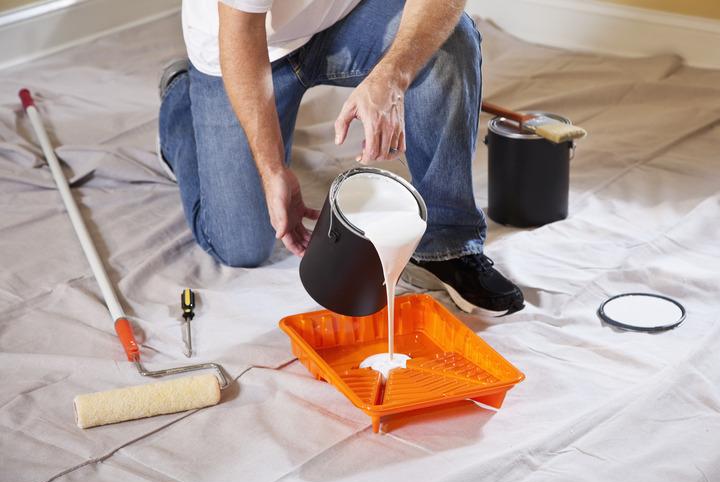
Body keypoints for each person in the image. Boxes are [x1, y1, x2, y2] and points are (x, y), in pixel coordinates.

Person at [158, 0, 525, 316]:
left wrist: (392, 77)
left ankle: (448, 244)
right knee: (241, 246)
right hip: (248, 47)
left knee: (451, 42)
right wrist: (272, 170)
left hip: (342, 18)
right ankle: (180, 98)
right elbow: (241, 34)